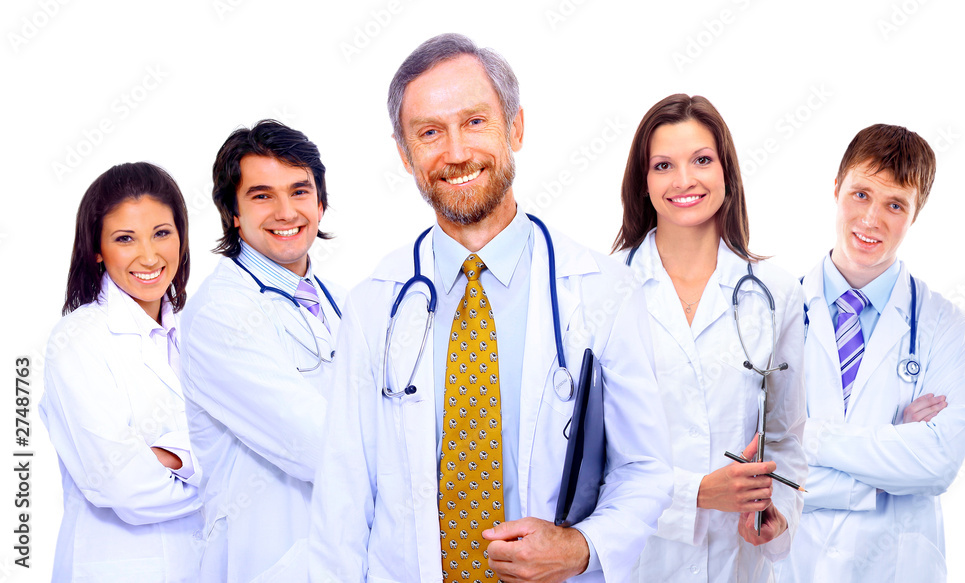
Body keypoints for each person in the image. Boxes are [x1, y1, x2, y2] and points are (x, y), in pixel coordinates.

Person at [309, 33, 672, 583]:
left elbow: (645, 469)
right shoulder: (372, 306)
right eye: (430, 133)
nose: (456, 153)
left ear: (516, 127)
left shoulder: (603, 290)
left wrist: (579, 547)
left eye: (475, 122)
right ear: (405, 155)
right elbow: (342, 497)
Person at [613, 94, 807, 582]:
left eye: (701, 159)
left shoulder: (775, 293)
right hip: (636, 562)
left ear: (727, 172)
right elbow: (587, 453)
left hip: (736, 564)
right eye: (663, 165)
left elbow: (786, 439)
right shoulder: (601, 292)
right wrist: (697, 494)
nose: (684, 180)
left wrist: (775, 514)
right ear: (643, 183)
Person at [774, 124, 965, 583]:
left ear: (914, 214)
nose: (871, 220)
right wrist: (892, 451)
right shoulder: (770, 313)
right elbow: (758, 472)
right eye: (861, 194)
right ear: (836, 188)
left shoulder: (947, 327)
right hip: (791, 566)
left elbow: (937, 464)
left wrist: (807, 437)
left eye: (895, 205)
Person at [180, 120, 344, 582]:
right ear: (232, 212)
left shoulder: (340, 302)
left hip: (339, 552)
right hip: (266, 559)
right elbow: (316, 443)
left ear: (320, 203)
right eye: (262, 195)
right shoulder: (221, 314)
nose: (286, 211)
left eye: (299, 191)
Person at [40, 162, 202, 581]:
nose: (149, 256)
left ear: (182, 237)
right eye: (125, 239)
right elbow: (123, 486)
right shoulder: (78, 341)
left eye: (161, 233)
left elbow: (247, 444)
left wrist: (171, 457)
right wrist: (213, 468)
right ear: (97, 249)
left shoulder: (199, 328)